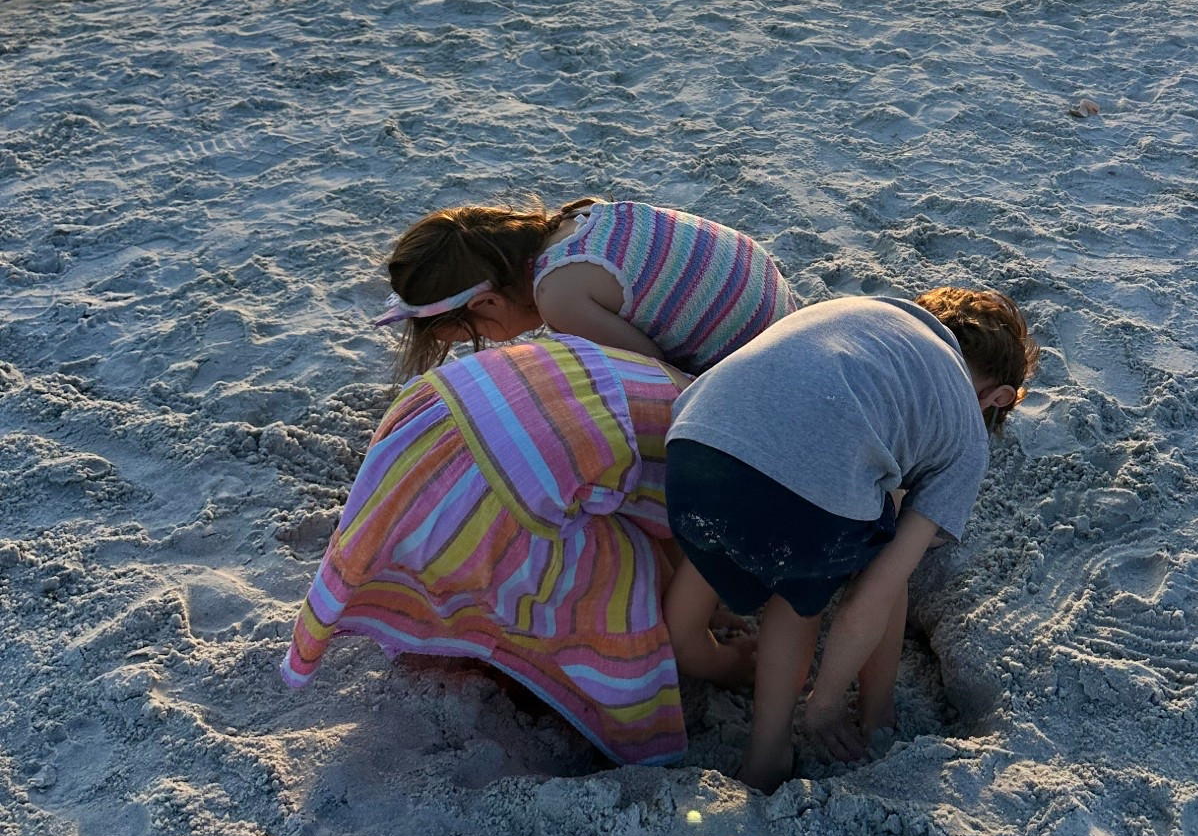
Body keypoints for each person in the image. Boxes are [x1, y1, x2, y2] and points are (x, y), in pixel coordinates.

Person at [282, 332, 750, 763]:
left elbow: (645, 518)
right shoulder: (730, 489)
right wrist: (728, 665)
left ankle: (473, 637)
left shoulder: (684, 388)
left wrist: (700, 601)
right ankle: (560, 690)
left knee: (601, 536)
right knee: (616, 594)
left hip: (431, 422)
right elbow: (686, 639)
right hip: (504, 493)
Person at [662, 287, 1039, 793]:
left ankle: (689, 641)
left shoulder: (863, 312)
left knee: (749, 508)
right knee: (802, 589)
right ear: (998, 398)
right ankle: (770, 751)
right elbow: (873, 596)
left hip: (689, 450)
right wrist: (824, 702)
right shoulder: (968, 428)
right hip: (793, 495)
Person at [376, 197, 795, 380]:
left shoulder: (559, 295)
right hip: (780, 312)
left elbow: (657, 376)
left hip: (756, 364)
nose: (487, 340)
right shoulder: (578, 219)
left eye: (478, 334)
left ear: (486, 302)